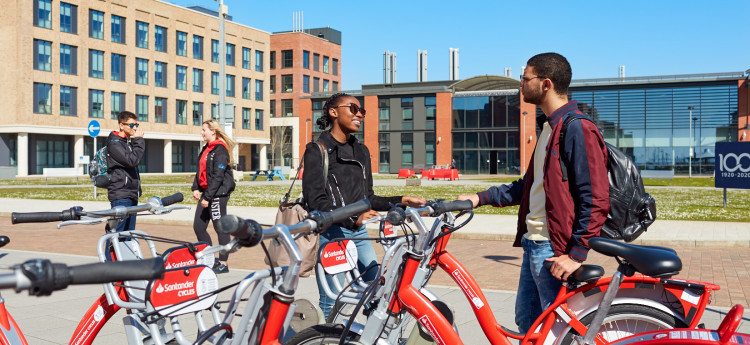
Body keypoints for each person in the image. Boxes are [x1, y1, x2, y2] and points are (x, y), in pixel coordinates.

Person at [458, 53, 610, 334]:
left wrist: (576, 254)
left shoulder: (577, 129)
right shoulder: (549, 128)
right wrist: (479, 198)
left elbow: (597, 198)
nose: (520, 85)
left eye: (525, 78)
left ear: (546, 84)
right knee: (528, 322)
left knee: (557, 331)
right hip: (534, 244)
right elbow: (528, 186)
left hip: (553, 250)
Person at [302, 93, 426, 317]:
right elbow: (316, 201)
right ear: (333, 112)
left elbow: (369, 197)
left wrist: (401, 200)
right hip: (332, 234)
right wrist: (353, 218)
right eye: (353, 108)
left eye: (362, 111)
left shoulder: (361, 151)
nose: (359, 114)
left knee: (377, 290)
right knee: (333, 300)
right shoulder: (317, 150)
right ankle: (324, 338)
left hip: (359, 234)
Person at [191, 119, 236, 274]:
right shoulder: (206, 149)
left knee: (220, 228)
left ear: (213, 131)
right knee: (199, 226)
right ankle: (209, 258)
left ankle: (223, 263)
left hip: (217, 194)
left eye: (204, 130)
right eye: (202, 130)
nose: (202, 133)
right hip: (208, 193)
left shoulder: (220, 150)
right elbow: (201, 171)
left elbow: (218, 176)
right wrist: (196, 187)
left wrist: (208, 197)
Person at [106, 111, 145, 232]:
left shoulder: (127, 143)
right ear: (121, 125)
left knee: (129, 234)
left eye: (136, 125)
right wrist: (138, 140)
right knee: (117, 234)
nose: (135, 128)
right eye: (131, 125)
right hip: (121, 195)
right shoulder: (114, 144)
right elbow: (132, 161)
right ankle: (109, 252)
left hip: (131, 194)